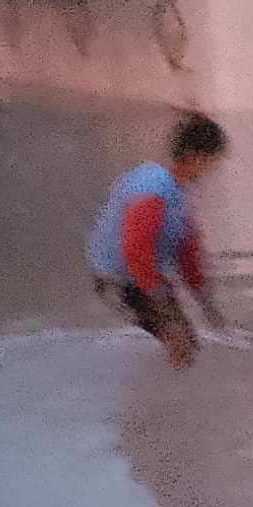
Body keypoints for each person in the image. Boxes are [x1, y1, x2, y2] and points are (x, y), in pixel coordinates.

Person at [89, 113, 228, 369]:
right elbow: (136, 247)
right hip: (118, 281)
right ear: (197, 157)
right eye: (213, 161)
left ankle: (168, 394)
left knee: (188, 343)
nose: (213, 169)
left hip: (140, 280)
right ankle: (165, 406)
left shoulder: (177, 193)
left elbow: (187, 253)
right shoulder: (153, 187)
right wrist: (159, 296)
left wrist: (206, 304)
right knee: (180, 344)